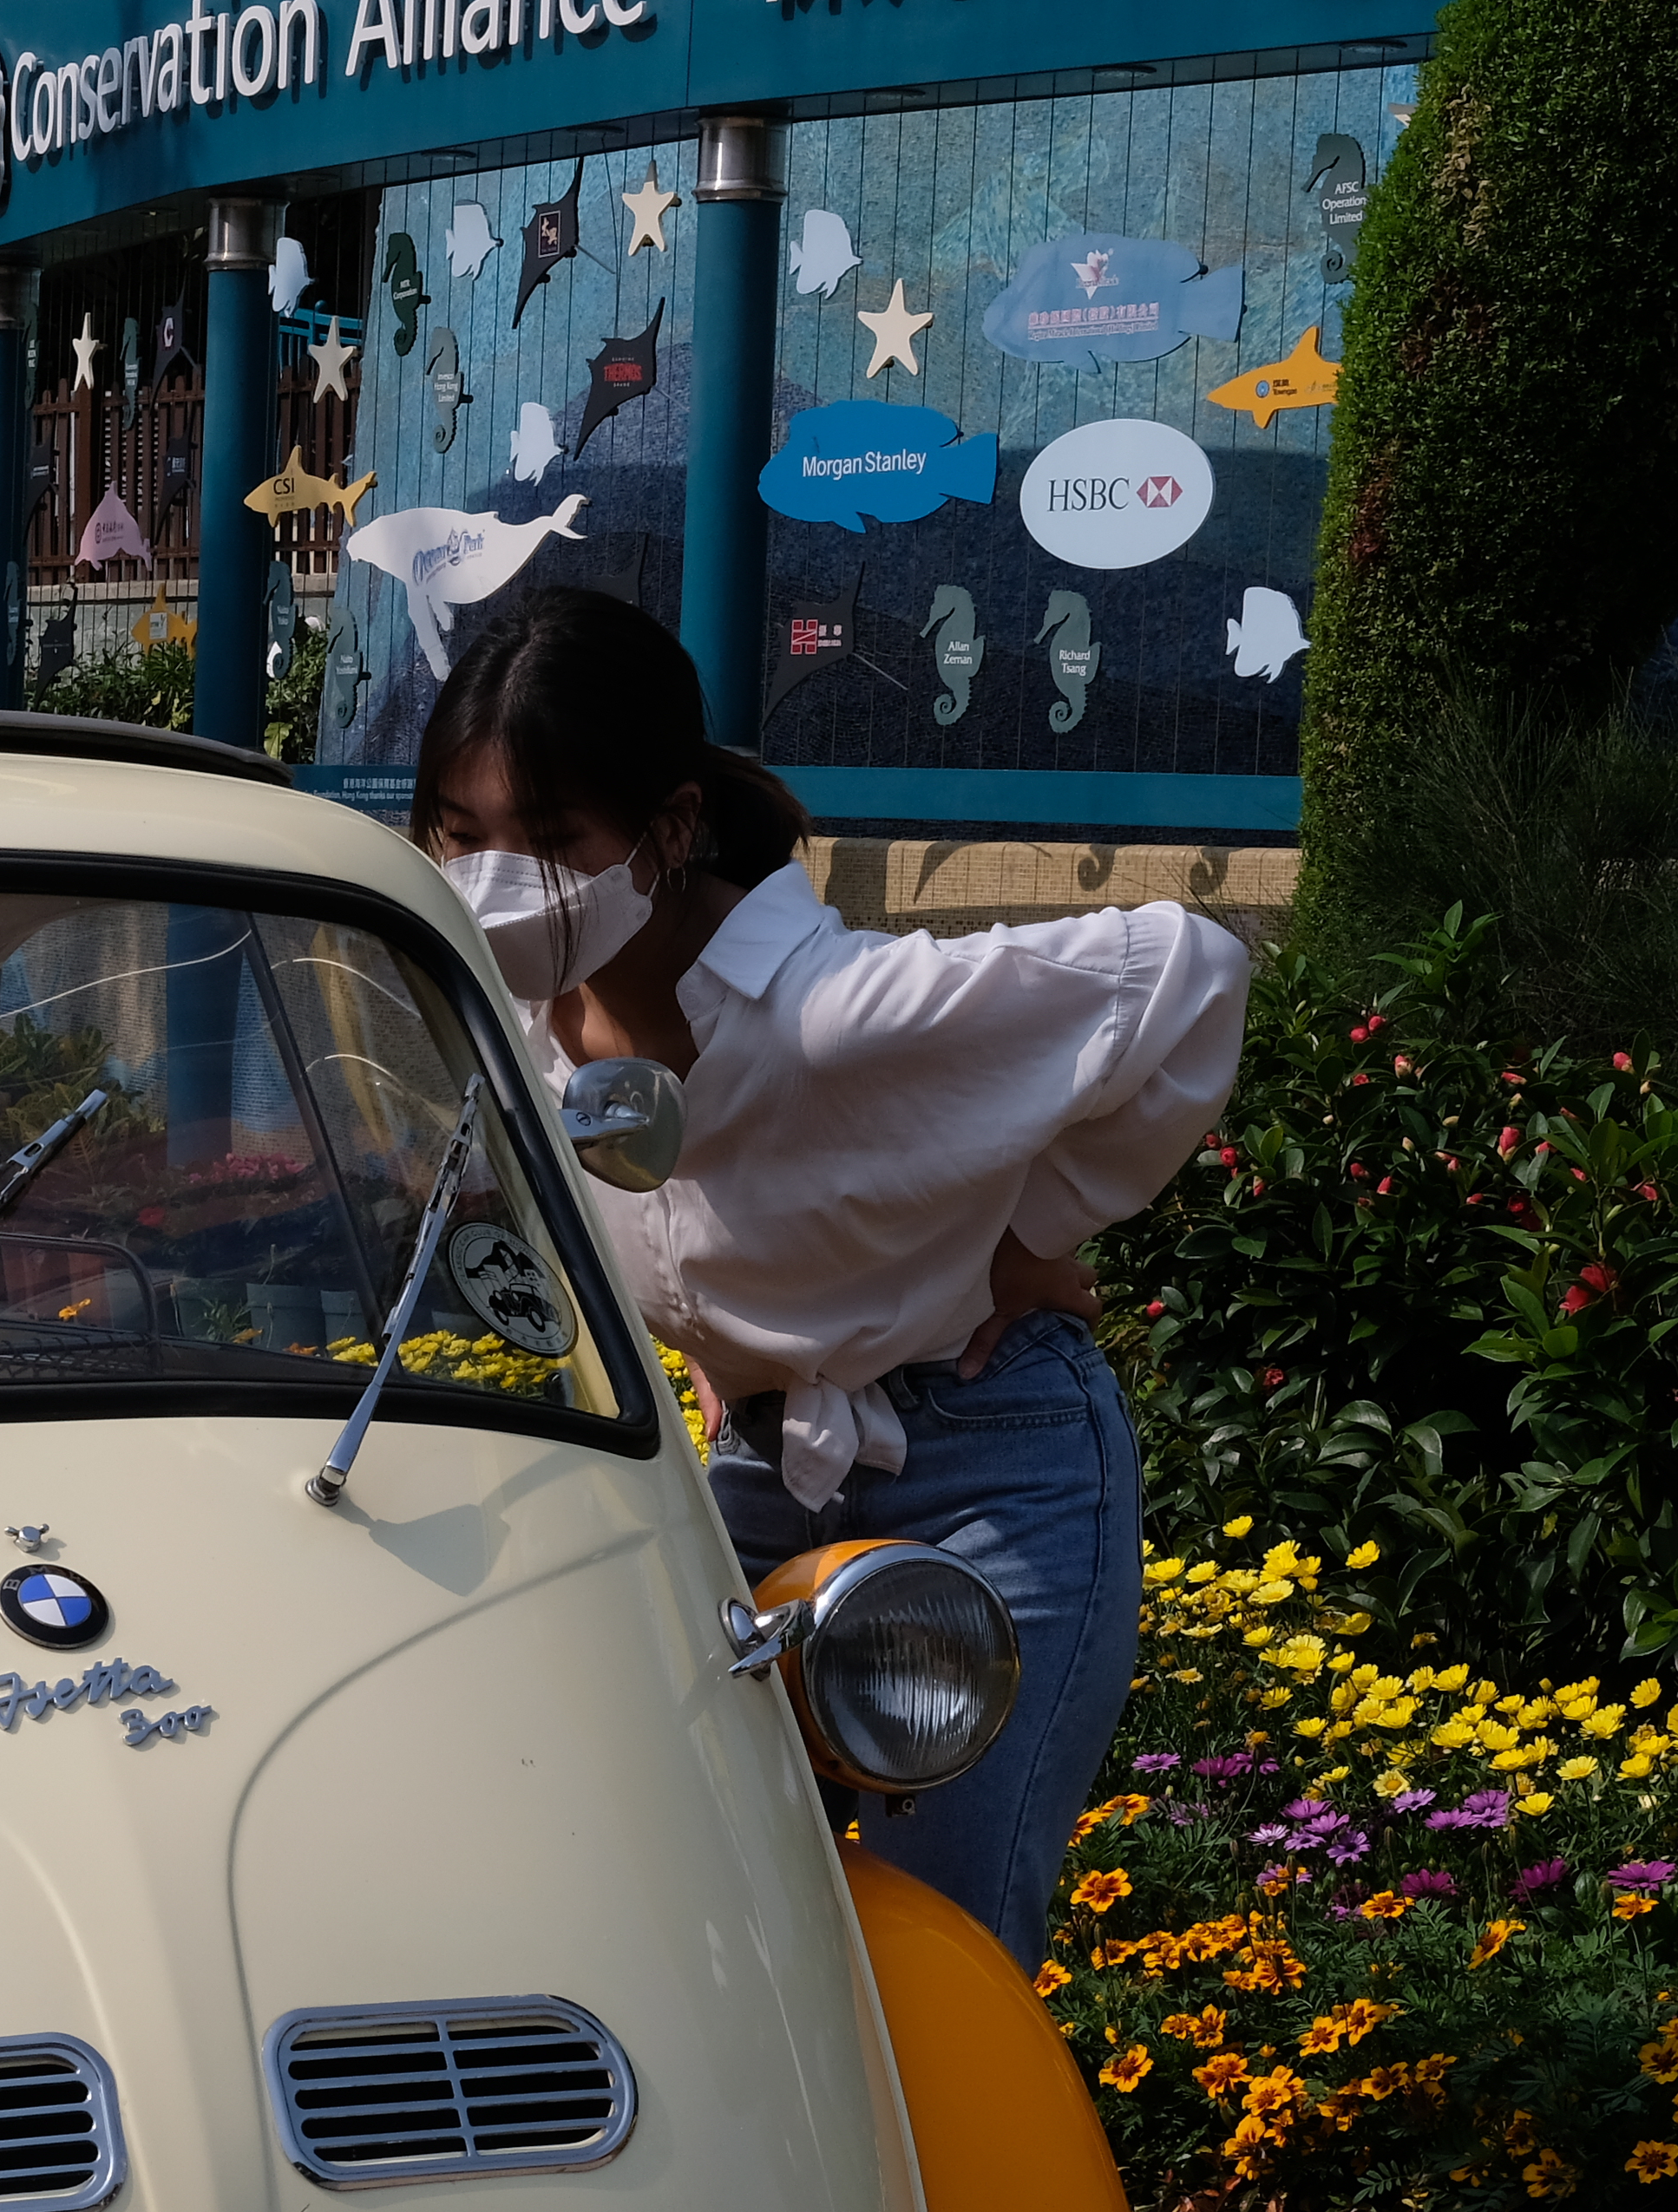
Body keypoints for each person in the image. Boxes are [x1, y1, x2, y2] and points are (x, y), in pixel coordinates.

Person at [412, 588, 1250, 1968]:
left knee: (948, 1944)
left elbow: (1190, 972)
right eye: (466, 837)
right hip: (755, 1471)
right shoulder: (509, 1030)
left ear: (670, 831)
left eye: (552, 840)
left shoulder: (840, 1011)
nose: (503, 880)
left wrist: (1029, 1235)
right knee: (705, 1919)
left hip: (992, 1475)